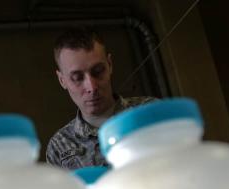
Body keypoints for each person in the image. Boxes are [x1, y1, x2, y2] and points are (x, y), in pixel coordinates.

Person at [45, 27, 156, 169]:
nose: (91, 87)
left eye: (98, 71)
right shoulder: (59, 146)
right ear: (62, 80)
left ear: (109, 65)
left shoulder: (150, 112)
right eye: (77, 78)